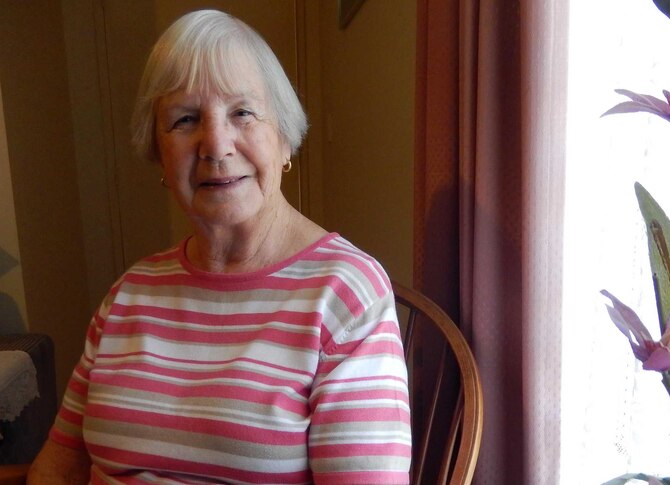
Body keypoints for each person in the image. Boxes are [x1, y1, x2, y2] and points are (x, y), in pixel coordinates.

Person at [28, 9, 411, 485]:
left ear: (285, 140)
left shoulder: (346, 295)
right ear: (160, 156)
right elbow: (62, 463)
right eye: (185, 120)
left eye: (243, 113)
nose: (215, 144)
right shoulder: (130, 293)